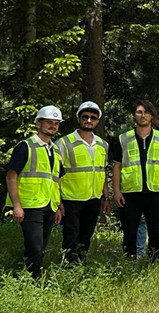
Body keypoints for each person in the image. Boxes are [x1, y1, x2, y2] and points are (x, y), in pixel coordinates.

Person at [5, 105, 64, 278]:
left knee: (41, 247)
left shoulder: (55, 150)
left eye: (56, 123)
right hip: (30, 206)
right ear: (38, 124)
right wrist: (17, 206)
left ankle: (34, 278)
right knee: (35, 247)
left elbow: (56, 180)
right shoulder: (25, 147)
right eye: (49, 122)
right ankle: (33, 281)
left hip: (49, 205)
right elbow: (11, 176)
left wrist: (58, 205)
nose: (53, 126)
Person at [112, 99, 159, 258]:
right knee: (129, 231)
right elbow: (117, 166)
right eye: (139, 112)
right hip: (130, 192)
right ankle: (129, 261)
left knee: (156, 232)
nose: (143, 115)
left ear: (152, 115)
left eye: (146, 112)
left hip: (155, 192)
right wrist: (116, 191)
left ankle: (154, 261)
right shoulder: (123, 138)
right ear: (134, 115)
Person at [56, 101, 109, 264]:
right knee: (71, 236)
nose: (89, 120)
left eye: (93, 117)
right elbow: (55, 175)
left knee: (86, 236)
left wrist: (106, 198)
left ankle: (81, 264)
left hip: (93, 199)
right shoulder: (64, 143)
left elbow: (102, 172)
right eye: (85, 117)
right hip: (71, 199)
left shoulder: (103, 145)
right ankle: (69, 267)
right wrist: (58, 202)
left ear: (98, 121)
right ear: (78, 119)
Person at [137, 107, 159, 257]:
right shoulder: (140, 135)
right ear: (154, 118)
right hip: (143, 188)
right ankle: (139, 254)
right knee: (142, 221)